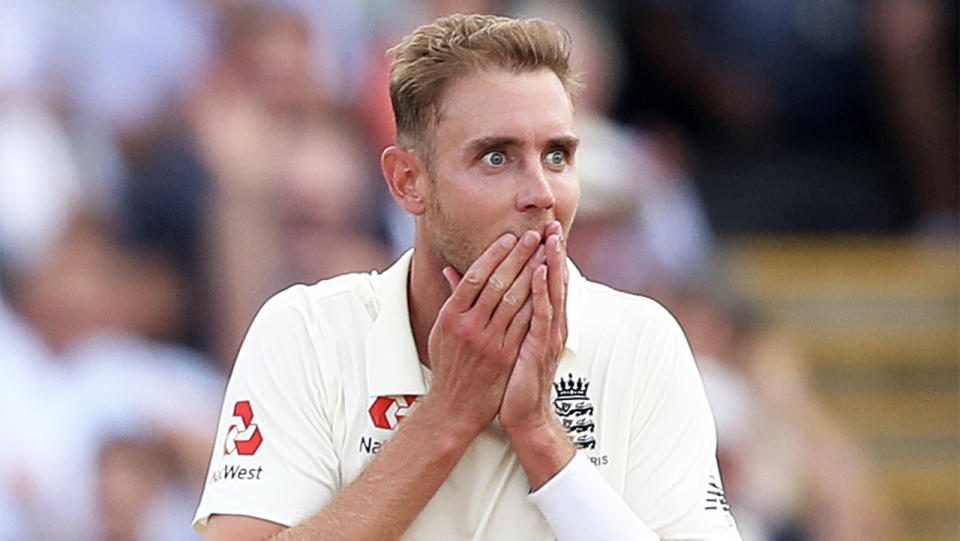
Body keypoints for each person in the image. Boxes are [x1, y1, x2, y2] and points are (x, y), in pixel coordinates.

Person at [194, 14, 742, 541]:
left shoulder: (642, 341)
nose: (541, 193)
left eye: (557, 155)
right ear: (409, 181)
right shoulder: (306, 332)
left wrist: (541, 439)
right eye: (497, 158)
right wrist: (449, 413)